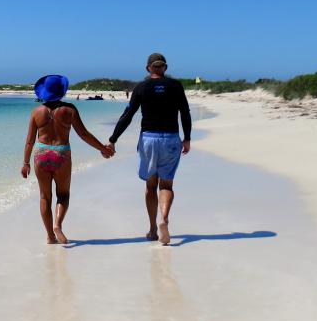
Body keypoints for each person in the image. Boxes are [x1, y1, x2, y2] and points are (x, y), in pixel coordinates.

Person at [104, 53, 192, 245]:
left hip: (148, 140)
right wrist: (187, 138)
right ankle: (164, 218)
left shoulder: (141, 88)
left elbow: (128, 115)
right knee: (166, 186)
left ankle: (153, 229)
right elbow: (185, 112)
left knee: (151, 186)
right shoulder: (175, 86)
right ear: (165, 68)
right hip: (170, 138)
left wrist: (113, 140)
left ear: (148, 68)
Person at [21, 74, 113, 244]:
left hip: (41, 154)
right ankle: (57, 224)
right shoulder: (70, 110)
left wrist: (26, 163)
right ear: (62, 93)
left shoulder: (36, 112)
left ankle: (50, 236)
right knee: (63, 195)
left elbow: (29, 141)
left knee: (44, 197)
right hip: (61, 154)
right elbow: (84, 134)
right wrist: (103, 149)